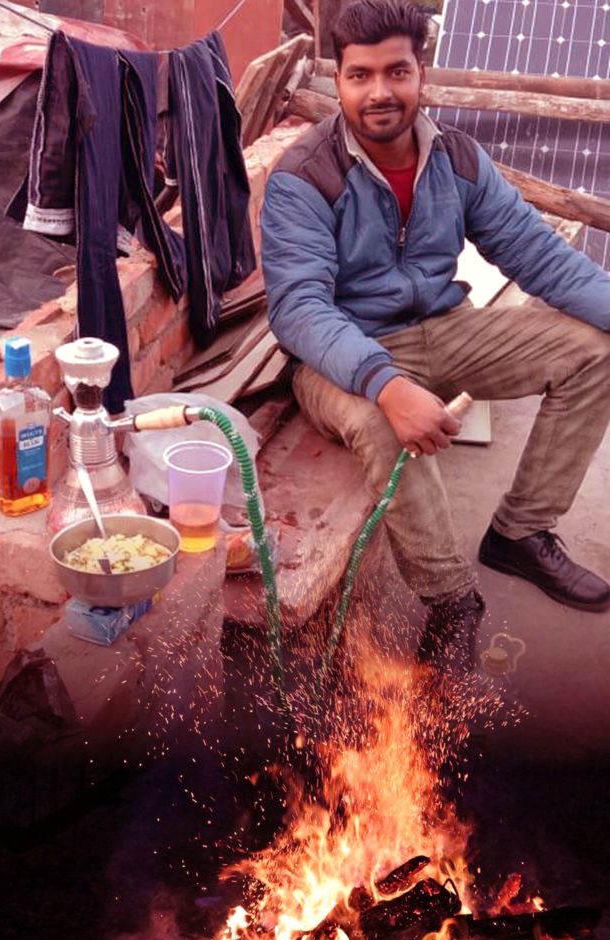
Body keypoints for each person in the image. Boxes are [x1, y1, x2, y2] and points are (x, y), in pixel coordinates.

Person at [261, 0, 610, 675]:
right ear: (339, 79)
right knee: (381, 422)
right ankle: (451, 600)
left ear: (422, 72)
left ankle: (520, 533)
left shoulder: (458, 159)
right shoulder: (305, 177)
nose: (380, 92)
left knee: (594, 351)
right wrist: (387, 385)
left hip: (443, 329)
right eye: (360, 75)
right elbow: (299, 309)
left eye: (396, 71)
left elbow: (542, 258)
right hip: (340, 354)